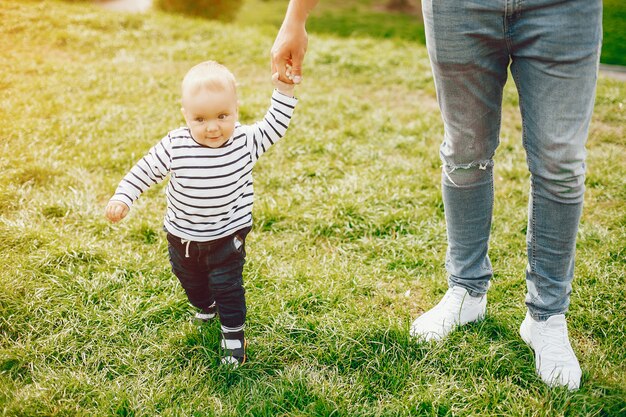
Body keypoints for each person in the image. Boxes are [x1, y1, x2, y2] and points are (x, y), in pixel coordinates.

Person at [271, 0, 602, 390]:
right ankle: (467, 290)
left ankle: (547, 316)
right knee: (465, 152)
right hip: (458, 8)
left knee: (560, 164)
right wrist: (296, 16)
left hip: (563, 9)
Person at [105, 60, 298, 367]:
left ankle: (233, 333)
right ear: (185, 115)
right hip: (183, 237)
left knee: (228, 286)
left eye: (222, 116)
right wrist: (124, 196)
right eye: (200, 118)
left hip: (228, 236)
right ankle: (205, 305)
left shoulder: (245, 141)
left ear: (236, 109)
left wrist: (284, 89)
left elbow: (275, 125)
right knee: (190, 280)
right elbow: (144, 170)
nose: (212, 127)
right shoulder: (175, 145)